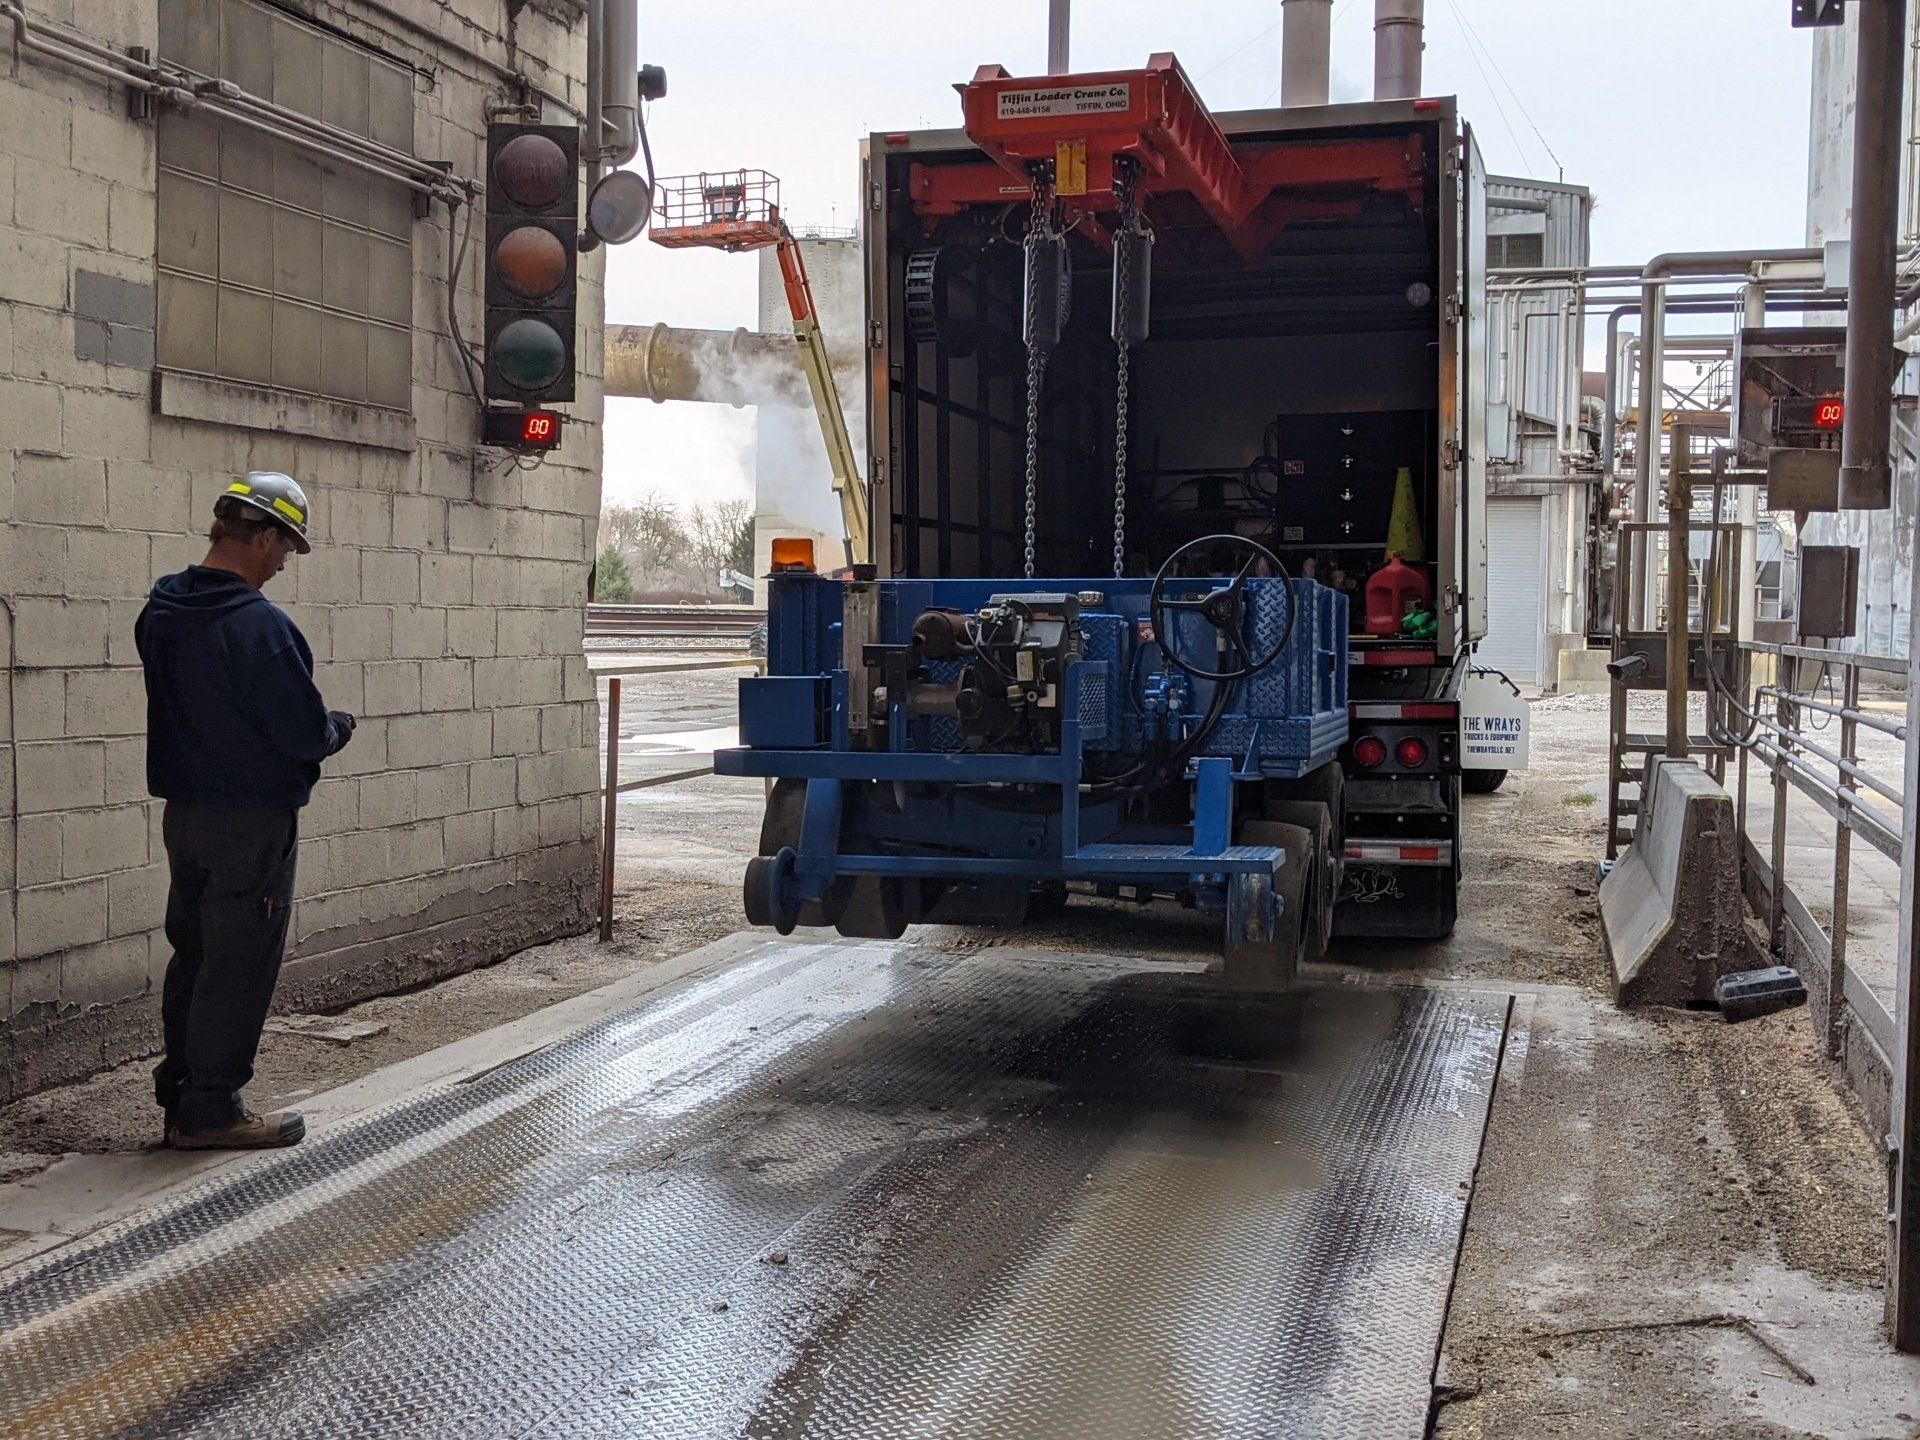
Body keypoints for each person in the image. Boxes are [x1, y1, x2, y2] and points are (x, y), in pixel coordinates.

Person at [135, 472, 356, 1151]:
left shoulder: (160, 611)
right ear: (260, 536)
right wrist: (336, 729)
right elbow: (302, 732)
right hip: (251, 825)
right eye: (284, 547)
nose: (283, 562)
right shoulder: (260, 628)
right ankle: (210, 1111)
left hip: (187, 817)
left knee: (196, 955)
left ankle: (181, 1095)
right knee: (238, 964)